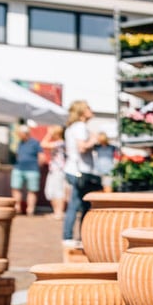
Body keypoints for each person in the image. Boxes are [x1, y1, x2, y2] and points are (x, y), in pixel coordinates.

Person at [61, 101, 102, 244]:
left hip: (74, 169)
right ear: (82, 111)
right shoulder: (80, 126)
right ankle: (69, 237)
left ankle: (78, 236)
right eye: (88, 108)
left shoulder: (72, 127)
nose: (91, 110)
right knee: (78, 204)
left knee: (81, 204)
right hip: (79, 171)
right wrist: (93, 140)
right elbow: (82, 147)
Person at [11, 123, 42, 215]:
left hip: (32, 170)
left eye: (20, 133)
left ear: (25, 133)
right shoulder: (20, 143)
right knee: (15, 188)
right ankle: (17, 208)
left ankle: (30, 209)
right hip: (18, 168)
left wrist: (36, 166)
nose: (18, 135)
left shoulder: (35, 143)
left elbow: (41, 157)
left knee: (32, 190)